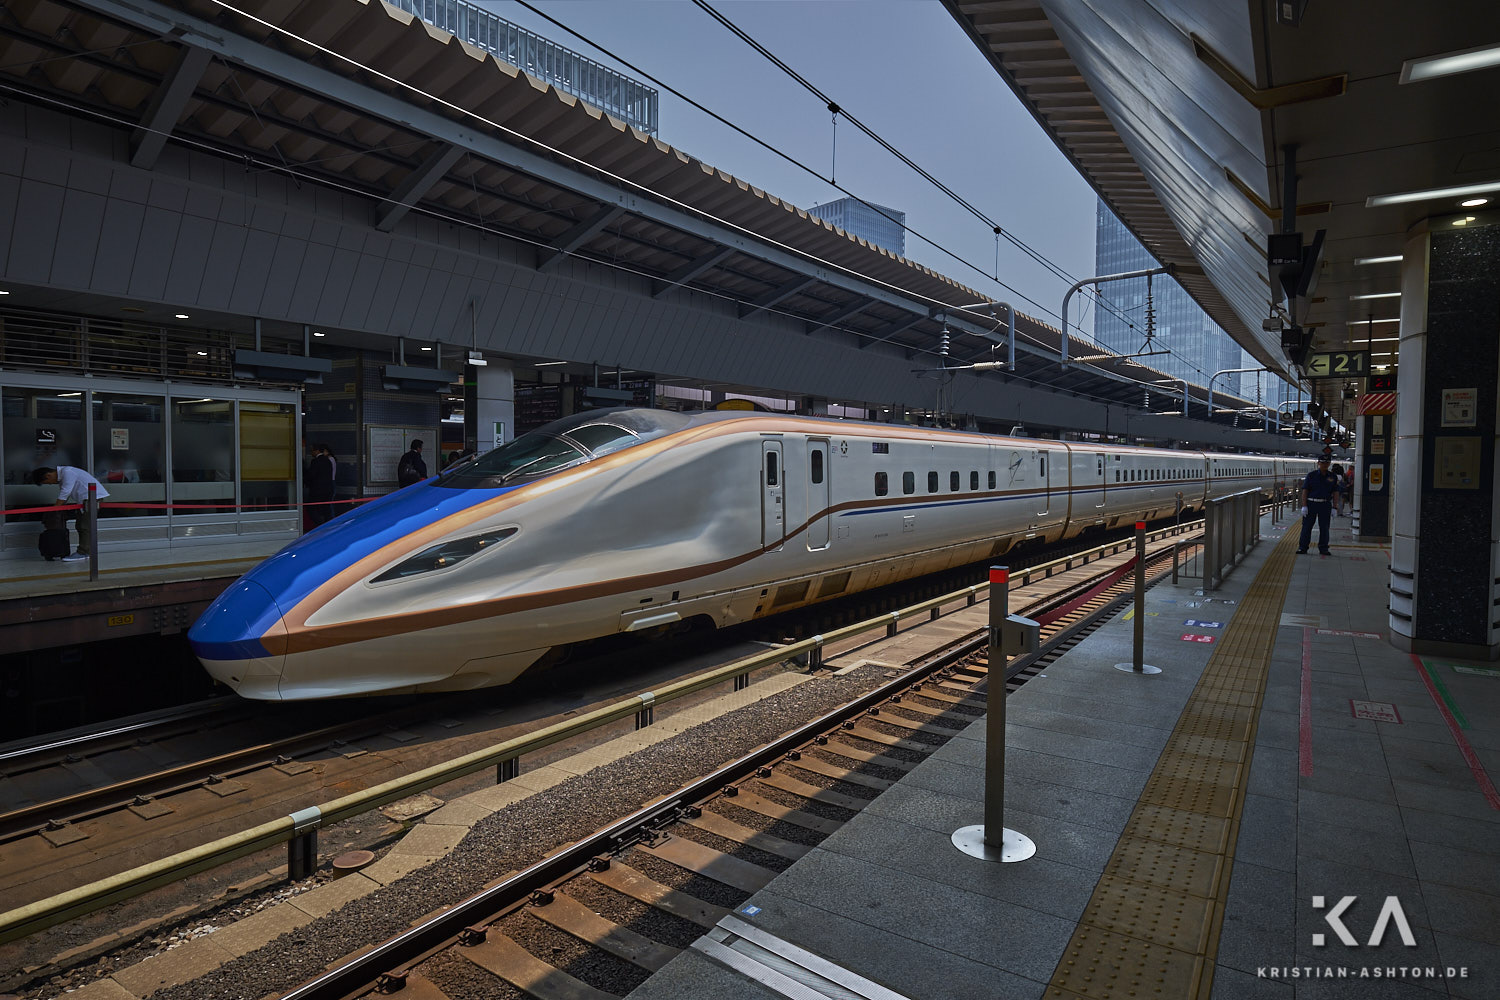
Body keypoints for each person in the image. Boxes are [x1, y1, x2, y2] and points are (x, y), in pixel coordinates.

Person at [31, 465, 111, 562]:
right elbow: (65, 494)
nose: (50, 484)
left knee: (85, 526)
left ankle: (84, 552)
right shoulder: (64, 475)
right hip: (85, 500)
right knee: (80, 525)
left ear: (48, 476)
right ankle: (84, 551)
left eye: (47, 483)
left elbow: (65, 492)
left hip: (92, 498)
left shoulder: (67, 472)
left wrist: (54, 509)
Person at [1298, 456, 1341, 555]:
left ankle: (1323, 548)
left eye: (1327, 463)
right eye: (1322, 462)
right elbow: (1305, 490)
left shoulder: (1333, 477)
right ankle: (1303, 547)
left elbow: (1335, 492)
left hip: (1325, 504)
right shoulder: (1311, 475)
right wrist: (1304, 506)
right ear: (1318, 463)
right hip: (1311, 503)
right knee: (1306, 527)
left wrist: (1335, 507)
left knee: (1325, 527)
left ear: (1329, 464)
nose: (1325, 464)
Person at [305, 444, 336, 527]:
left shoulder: (315, 461)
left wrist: (306, 481)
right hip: (328, 489)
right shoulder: (328, 460)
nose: (311, 453)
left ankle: (320, 525)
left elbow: (312, 475)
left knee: (311, 508)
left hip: (317, 490)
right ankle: (328, 526)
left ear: (317, 451)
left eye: (312, 451)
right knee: (326, 509)